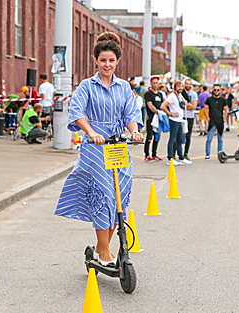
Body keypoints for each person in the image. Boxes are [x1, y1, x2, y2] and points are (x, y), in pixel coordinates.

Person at [54, 32, 143, 267]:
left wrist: (134, 130)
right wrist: (91, 132)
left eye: (111, 60)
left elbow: (131, 114)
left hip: (117, 146)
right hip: (95, 147)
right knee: (103, 195)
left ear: (117, 61)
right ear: (96, 60)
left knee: (118, 198)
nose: (107, 64)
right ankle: (103, 251)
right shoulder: (86, 86)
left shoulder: (124, 87)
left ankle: (104, 248)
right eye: (103, 60)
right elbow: (77, 113)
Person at [160, 81, 193, 166]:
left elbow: (183, 102)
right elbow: (162, 106)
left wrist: (185, 102)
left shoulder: (180, 95)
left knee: (180, 140)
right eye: (178, 86)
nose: (180, 88)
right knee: (172, 139)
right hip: (174, 120)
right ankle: (170, 158)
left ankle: (181, 157)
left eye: (182, 86)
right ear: (175, 87)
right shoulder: (172, 96)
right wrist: (170, 113)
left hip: (179, 120)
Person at [204, 84, 228, 160]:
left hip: (220, 121)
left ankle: (220, 153)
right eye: (215, 90)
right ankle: (207, 154)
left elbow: (226, 110)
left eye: (218, 90)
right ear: (212, 90)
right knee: (209, 139)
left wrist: (224, 119)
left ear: (220, 90)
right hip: (212, 121)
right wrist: (207, 118)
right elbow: (205, 109)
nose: (216, 91)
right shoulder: (209, 99)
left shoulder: (223, 100)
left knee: (220, 139)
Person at [143, 76, 164, 162]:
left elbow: (162, 105)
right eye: (154, 83)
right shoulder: (148, 93)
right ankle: (147, 154)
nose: (155, 85)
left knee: (157, 136)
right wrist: (157, 112)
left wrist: (162, 113)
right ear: (151, 84)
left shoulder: (160, 94)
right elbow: (150, 105)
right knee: (149, 136)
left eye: (157, 83)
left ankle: (154, 154)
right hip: (151, 118)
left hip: (158, 118)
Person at [183, 79, 198, 160]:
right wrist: (189, 106)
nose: (188, 85)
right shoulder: (181, 93)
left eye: (190, 84)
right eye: (187, 84)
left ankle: (186, 153)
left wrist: (186, 106)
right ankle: (177, 153)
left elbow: (194, 106)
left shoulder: (194, 94)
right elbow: (180, 106)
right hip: (181, 116)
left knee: (188, 136)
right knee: (179, 136)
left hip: (190, 117)